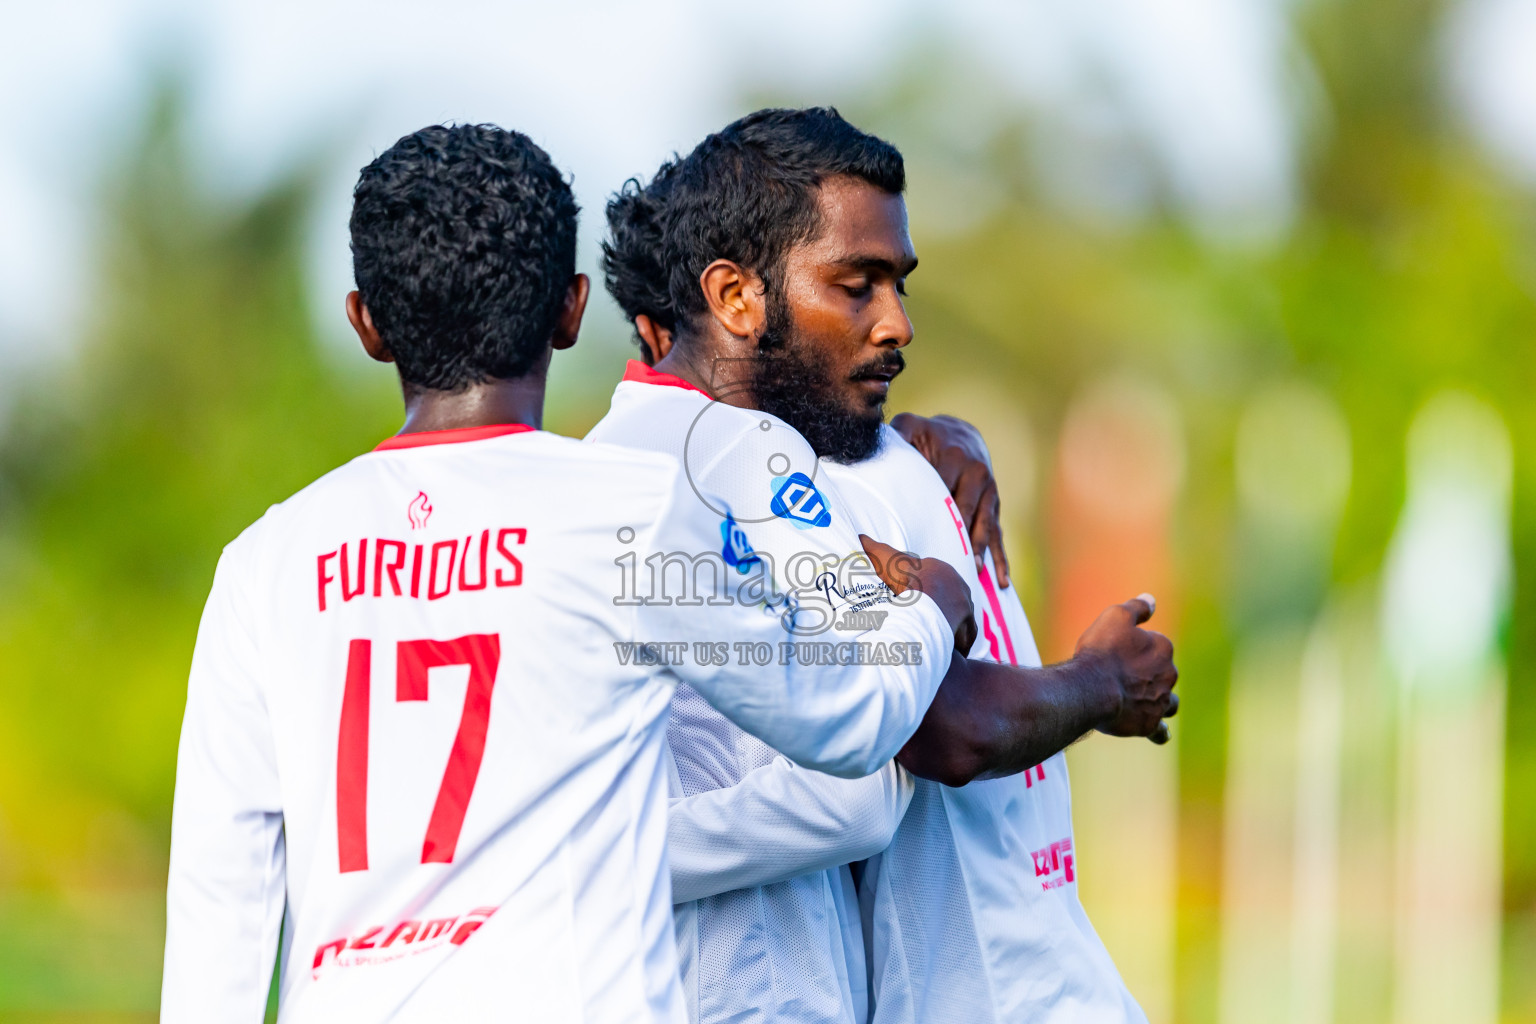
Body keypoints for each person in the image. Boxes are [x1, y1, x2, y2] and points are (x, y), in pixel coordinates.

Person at [159, 122, 977, 1024]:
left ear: (366, 324)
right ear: (572, 309)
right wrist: (933, 604)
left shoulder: (264, 563)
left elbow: (218, 921)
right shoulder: (625, 510)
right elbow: (851, 725)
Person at [594, 107, 1176, 1023]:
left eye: (897, 285)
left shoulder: (832, 459)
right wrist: (1067, 668)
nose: (898, 324)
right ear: (732, 299)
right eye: (856, 285)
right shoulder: (784, 475)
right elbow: (890, 767)